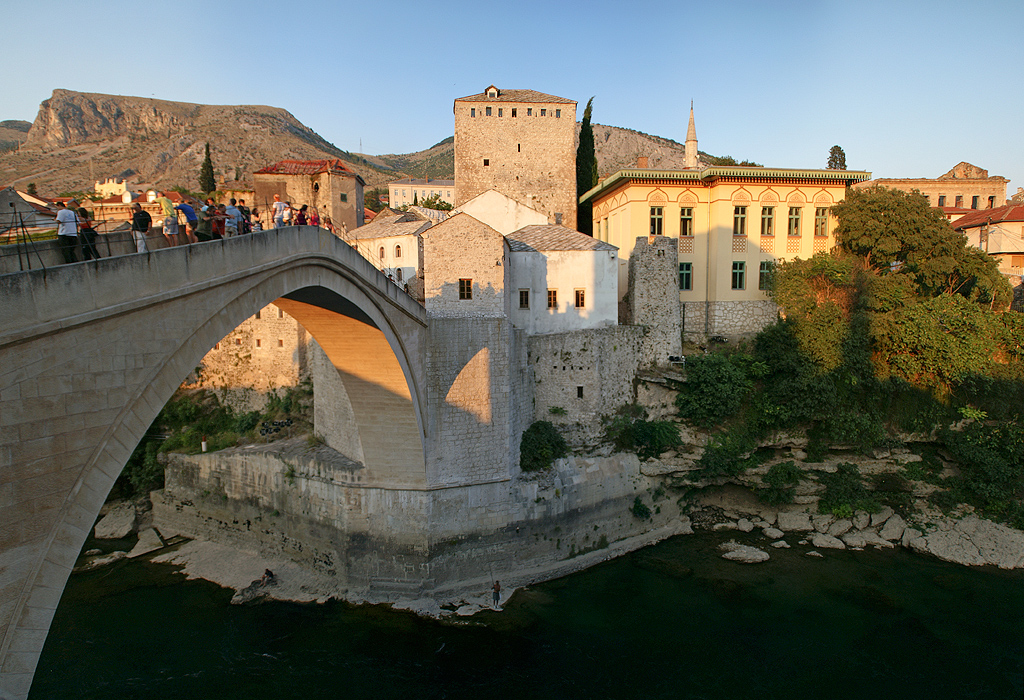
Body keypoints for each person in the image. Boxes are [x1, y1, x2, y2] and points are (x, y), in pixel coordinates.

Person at [55, 199, 80, 264]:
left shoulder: (61, 212)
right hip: (73, 234)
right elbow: (77, 222)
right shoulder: (72, 212)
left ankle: (69, 263)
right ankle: (75, 263)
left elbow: (59, 221)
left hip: (64, 234)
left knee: (66, 251)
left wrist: (54, 220)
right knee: (71, 251)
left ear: (59, 205)